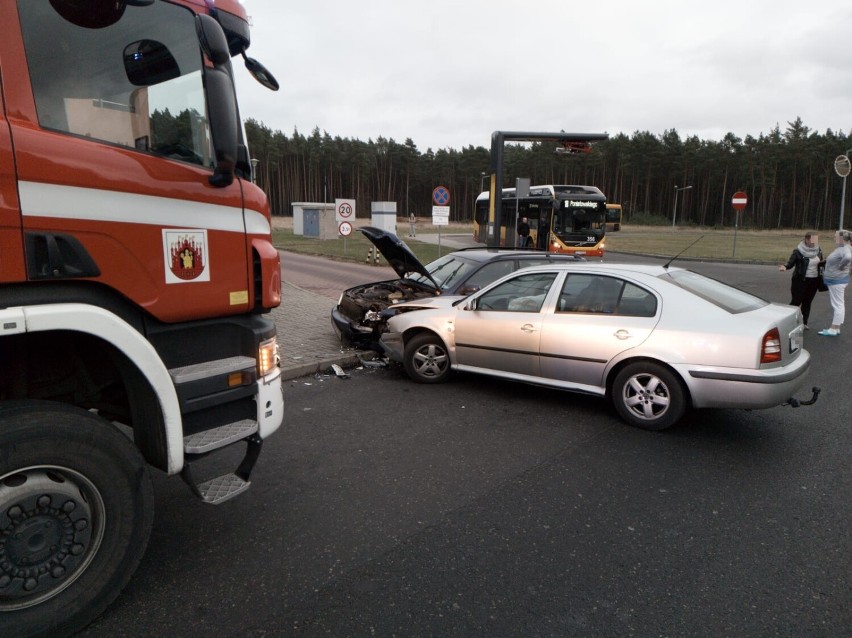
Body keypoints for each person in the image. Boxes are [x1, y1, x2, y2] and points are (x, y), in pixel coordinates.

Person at [778, 232, 823, 328]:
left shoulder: (818, 250)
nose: (815, 242)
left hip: (814, 281)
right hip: (800, 280)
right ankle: (787, 321)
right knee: (796, 301)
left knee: (807, 302)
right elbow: (791, 263)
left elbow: (820, 263)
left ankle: (804, 323)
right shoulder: (798, 251)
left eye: (816, 240)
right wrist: (785, 267)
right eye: (813, 240)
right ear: (806, 240)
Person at [817, 229, 852, 336]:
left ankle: (833, 329)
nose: (834, 237)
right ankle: (836, 328)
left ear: (841, 238)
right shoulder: (842, 248)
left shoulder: (845, 249)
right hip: (837, 280)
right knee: (838, 304)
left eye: (836, 236)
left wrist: (841, 266)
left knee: (837, 305)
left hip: (837, 280)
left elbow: (848, 257)